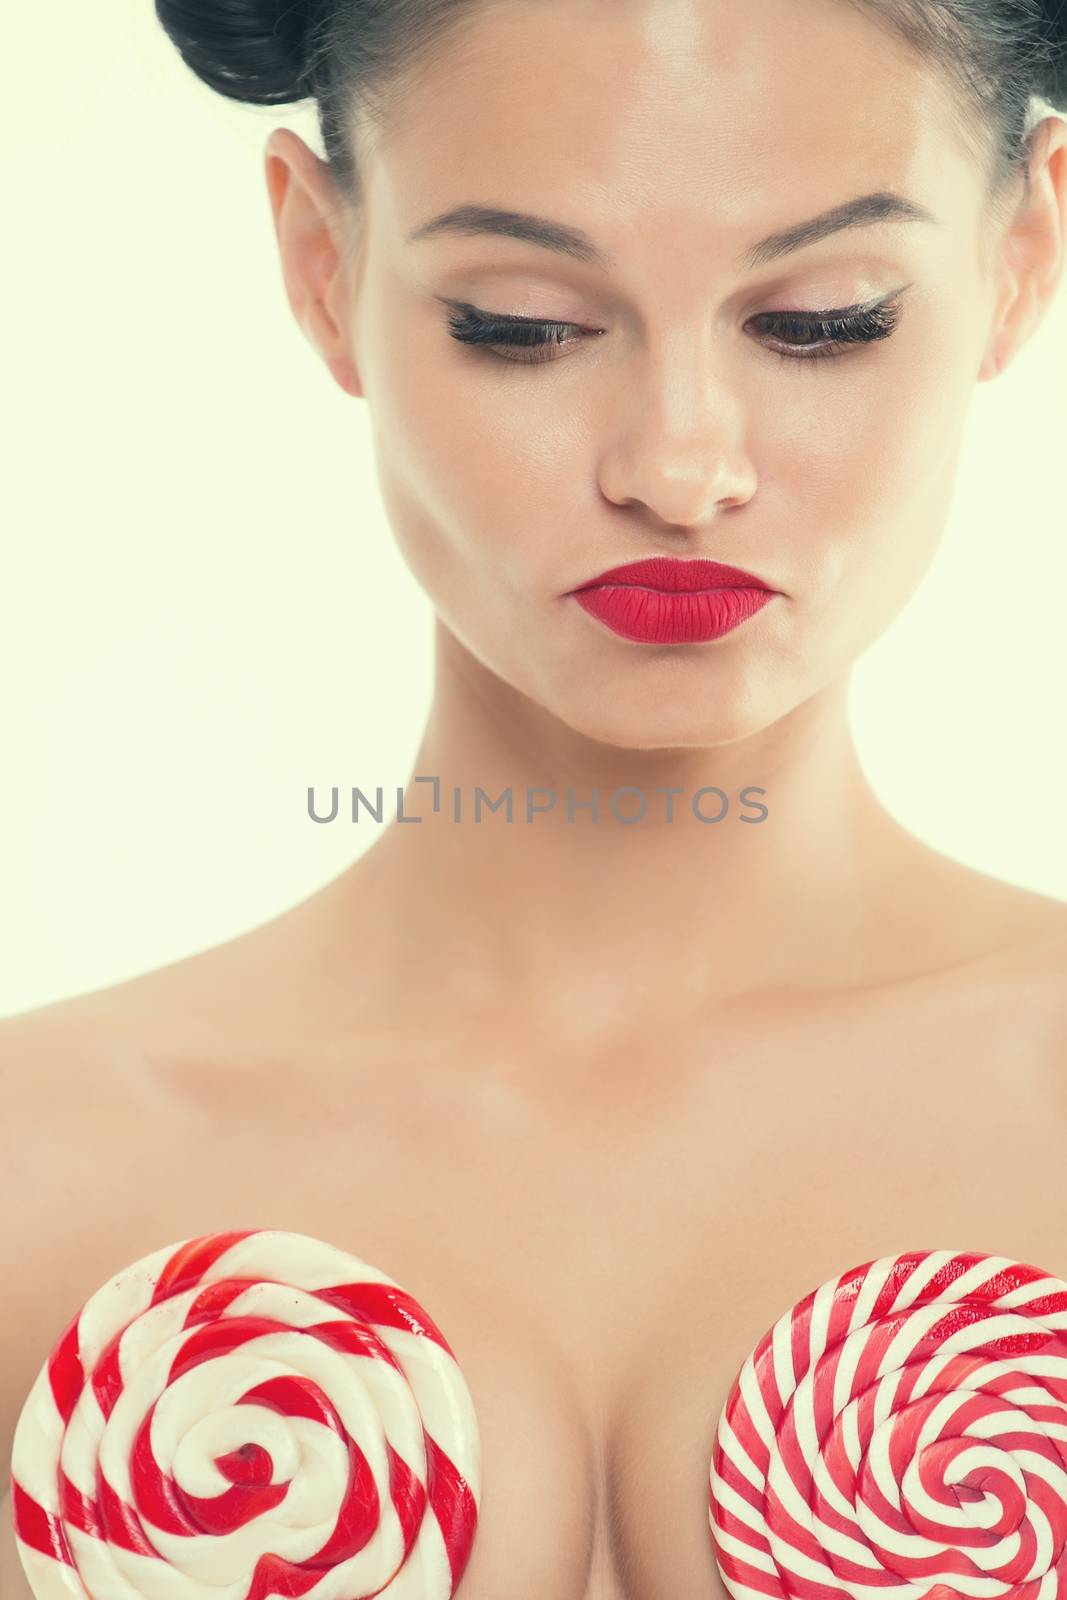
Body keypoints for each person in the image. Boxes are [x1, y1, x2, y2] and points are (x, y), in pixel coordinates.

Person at [3, 1, 1067, 1595]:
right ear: (319, 268)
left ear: (1020, 258)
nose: (680, 463)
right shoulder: (36, 1172)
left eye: (826, 318)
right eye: (520, 323)